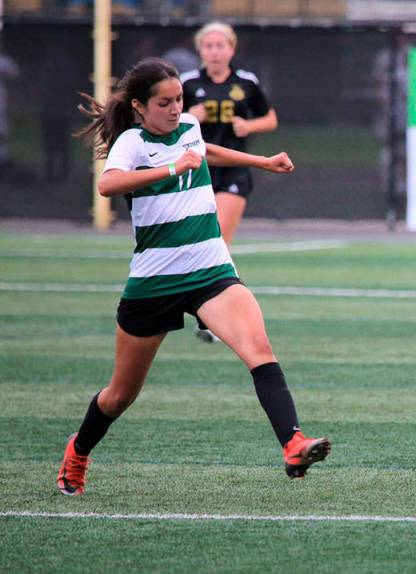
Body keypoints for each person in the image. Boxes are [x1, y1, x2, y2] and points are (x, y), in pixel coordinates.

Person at [56, 58, 330, 497]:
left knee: (259, 349)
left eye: (179, 99)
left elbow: (204, 151)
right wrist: (170, 170)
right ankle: (79, 451)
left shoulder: (188, 126)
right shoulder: (131, 142)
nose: (175, 108)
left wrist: (262, 161)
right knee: (120, 395)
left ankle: (293, 444)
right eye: (164, 102)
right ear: (140, 106)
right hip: (154, 283)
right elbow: (109, 186)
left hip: (210, 269)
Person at [181, 22, 278, 342]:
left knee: (218, 239)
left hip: (234, 169)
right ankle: (209, 311)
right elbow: (168, 124)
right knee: (200, 243)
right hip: (197, 171)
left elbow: (270, 118)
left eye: (221, 45)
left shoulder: (245, 83)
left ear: (232, 49)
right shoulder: (188, 83)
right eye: (208, 45)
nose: (215, 51)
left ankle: (217, 319)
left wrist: (248, 126)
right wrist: (190, 118)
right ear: (201, 50)